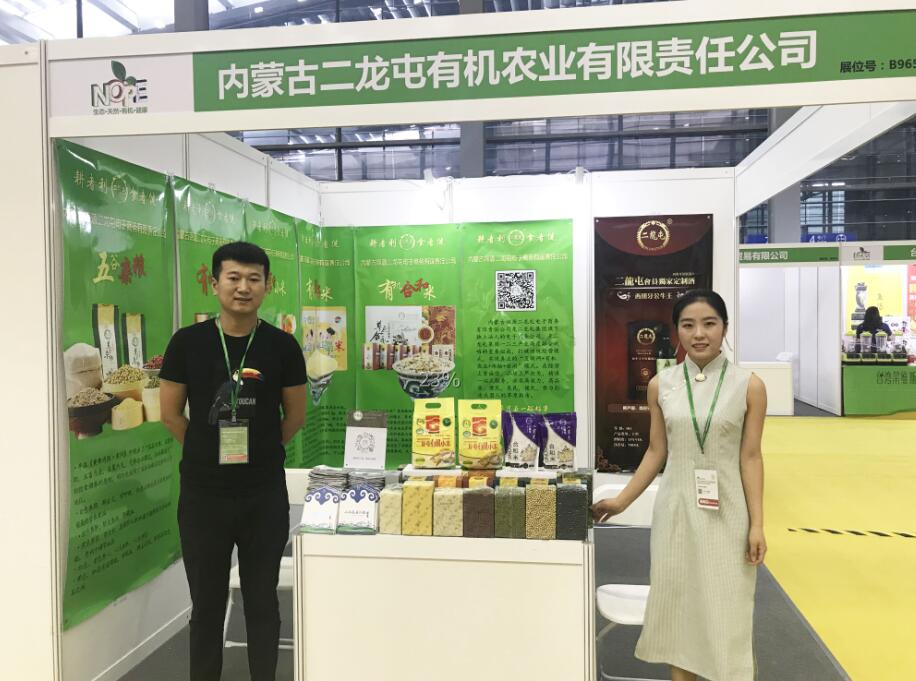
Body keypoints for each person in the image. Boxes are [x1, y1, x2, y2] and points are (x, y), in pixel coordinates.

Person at [592, 289, 767, 681]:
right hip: (676, 512)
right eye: (688, 325)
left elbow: (751, 457)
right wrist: (621, 501)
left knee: (728, 605)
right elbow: (656, 451)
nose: (699, 334)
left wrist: (757, 524)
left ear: (724, 328)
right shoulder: (662, 384)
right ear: (677, 331)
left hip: (728, 513)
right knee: (679, 606)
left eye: (709, 323)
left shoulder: (749, 385)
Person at [159, 241, 307, 681]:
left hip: (263, 495)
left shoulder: (282, 346)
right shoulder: (187, 343)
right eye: (234, 277)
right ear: (214, 283)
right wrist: (207, 450)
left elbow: (294, 416)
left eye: (253, 278)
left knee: (262, 602)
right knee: (206, 604)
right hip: (203, 496)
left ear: (267, 285)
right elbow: (170, 414)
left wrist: (258, 452)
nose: (243, 287)